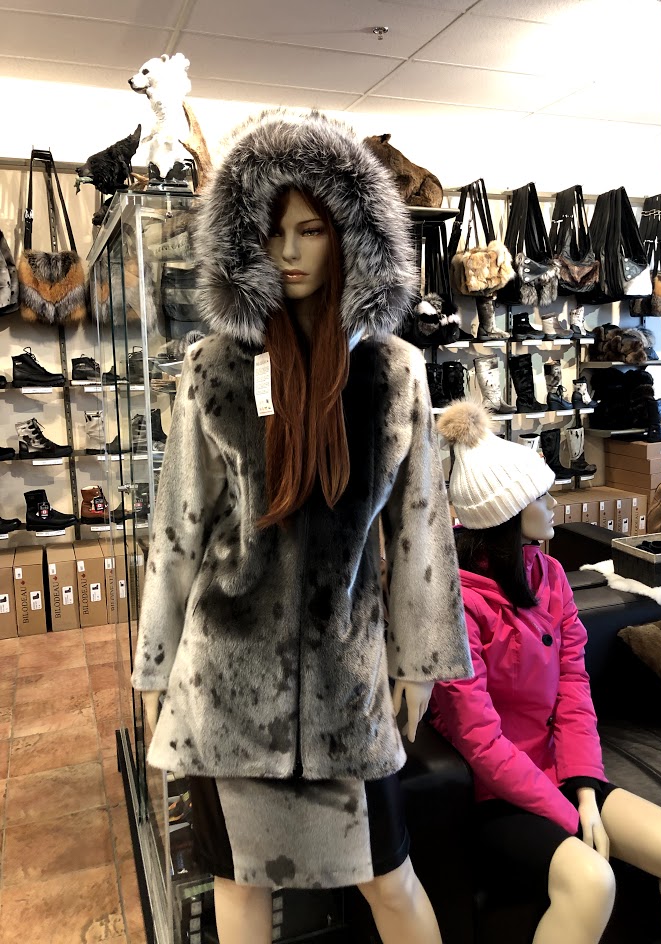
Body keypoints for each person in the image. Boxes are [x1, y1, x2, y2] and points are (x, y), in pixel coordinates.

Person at [131, 110, 472, 944]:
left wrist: (420, 662)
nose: (288, 251)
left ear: (349, 237)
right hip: (223, 688)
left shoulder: (394, 373)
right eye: (272, 230)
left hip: (347, 687)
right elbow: (178, 527)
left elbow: (422, 528)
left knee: (390, 880)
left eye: (310, 229)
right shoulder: (214, 366)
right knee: (238, 887)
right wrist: (155, 667)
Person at [429, 399, 661, 944]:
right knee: (592, 883)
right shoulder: (457, 606)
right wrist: (567, 814)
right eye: (540, 496)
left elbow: (574, 688)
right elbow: (479, 740)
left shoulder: (549, 574)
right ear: (508, 514)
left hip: (563, 769)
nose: (553, 504)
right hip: (497, 792)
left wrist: (583, 788)